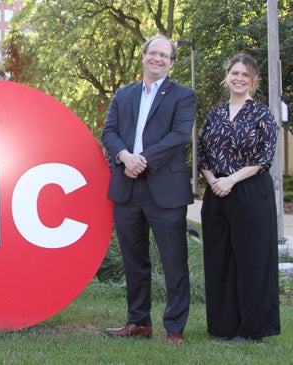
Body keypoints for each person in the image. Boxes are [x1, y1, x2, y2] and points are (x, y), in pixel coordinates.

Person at [101, 35, 196, 345]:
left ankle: (174, 328)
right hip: (127, 186)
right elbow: (110, 131)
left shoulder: (182, 96)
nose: (157, 59)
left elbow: (179, 135)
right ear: (143, 57)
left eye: (163, 55)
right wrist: (124, 156)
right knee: (134, 260)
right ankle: (138, 322)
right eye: (152, 53)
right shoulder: (124, 94)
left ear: (171, 62)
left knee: (174, 260)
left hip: (164, 188)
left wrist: (142, 159)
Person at [197, 54, 280, 345]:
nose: (239, 78)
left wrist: (231, 180)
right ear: (227, 75)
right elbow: (202, 155)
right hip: (216, 191)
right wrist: (214, 182)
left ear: (253, 80)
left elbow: (264, 158)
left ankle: (251, 329)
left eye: (245, 74)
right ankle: (223, 327)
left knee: (251, 261)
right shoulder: (215, 114)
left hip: (250, 190)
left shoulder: (262, 114)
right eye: (235, 73)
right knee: (220, 260)